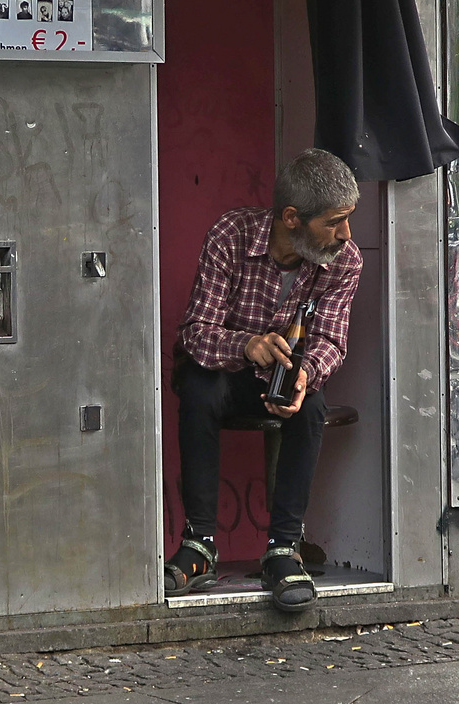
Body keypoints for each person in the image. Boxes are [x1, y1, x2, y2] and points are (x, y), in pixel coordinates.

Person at [167, 149, 361, 610]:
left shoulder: (344, 259)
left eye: (347, 220)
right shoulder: (230, 235)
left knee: (310, 404)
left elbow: (332, 340)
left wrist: (304, 375)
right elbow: (195, 333)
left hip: (282, 380)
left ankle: (283, 549)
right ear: (292, 217)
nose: (346, 234)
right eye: (335, 221)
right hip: (227, 377)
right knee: (197, 386)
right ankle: (200, 544)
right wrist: (246, 345)